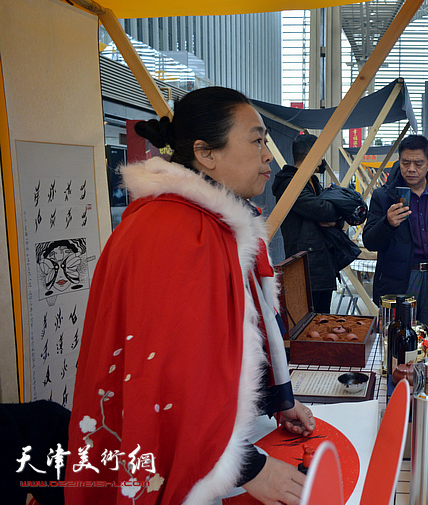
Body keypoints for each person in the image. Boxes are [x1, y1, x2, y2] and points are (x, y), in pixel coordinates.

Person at [67, 87, 316, 505]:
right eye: (256, 140)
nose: (268, 155)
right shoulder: (176, 233)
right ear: (206, 153)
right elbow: (169, 375)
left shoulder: (206, 222)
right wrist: (246, 465)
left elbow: (227, 343)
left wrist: (277, 399)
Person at [363, 134, 428, 334]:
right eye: (405, 162)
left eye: (418, 163)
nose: (411, 169)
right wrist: (388, 223)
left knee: (426, 336)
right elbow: (370, 241)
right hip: (397, 278)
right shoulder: (384, 196)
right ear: (399, 162)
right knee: (393, 337)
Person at [273, 133, 339, 312]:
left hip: (319, 267)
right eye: (321, 155)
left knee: (322, 320)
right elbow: (322, 209)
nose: (323, 161)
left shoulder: (311, 181)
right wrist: (337, 210)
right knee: (309, 327)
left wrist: (334, 218)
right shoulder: (290, 183)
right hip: (306, 270)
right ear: (314, 157)